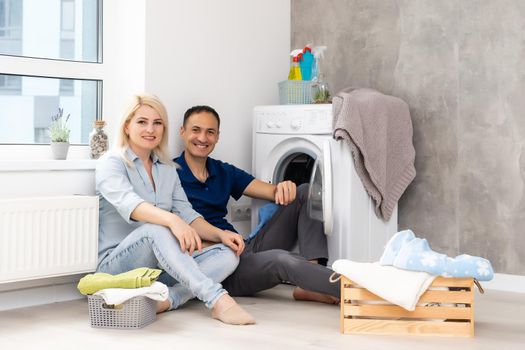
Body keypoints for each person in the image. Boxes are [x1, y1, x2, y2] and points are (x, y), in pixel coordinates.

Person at [95, 94, 255, 325]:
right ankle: (218, 301)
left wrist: (220, 234)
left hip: (159, 268)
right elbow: (131, 205)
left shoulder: (168, 169)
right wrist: (171, 220)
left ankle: (169, 299)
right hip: (117, 267)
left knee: (227, 255)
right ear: (127, 126)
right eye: (142, 122)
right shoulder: (111, 162)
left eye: (157, 123)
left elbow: (188, 215)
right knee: (156, 228)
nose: (150, 129)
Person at [174, 105, 339, 304]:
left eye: (210, 132)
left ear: (217, 136)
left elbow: (272, 191)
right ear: (182, 132)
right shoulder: (170, 175)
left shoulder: (222, 171)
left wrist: (284, 187)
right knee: (281, 260)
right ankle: (360, 289)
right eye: (195, 130)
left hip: (241, 248)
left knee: (303, 191)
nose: (202, 138)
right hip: (219, 266)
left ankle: (309, 284)